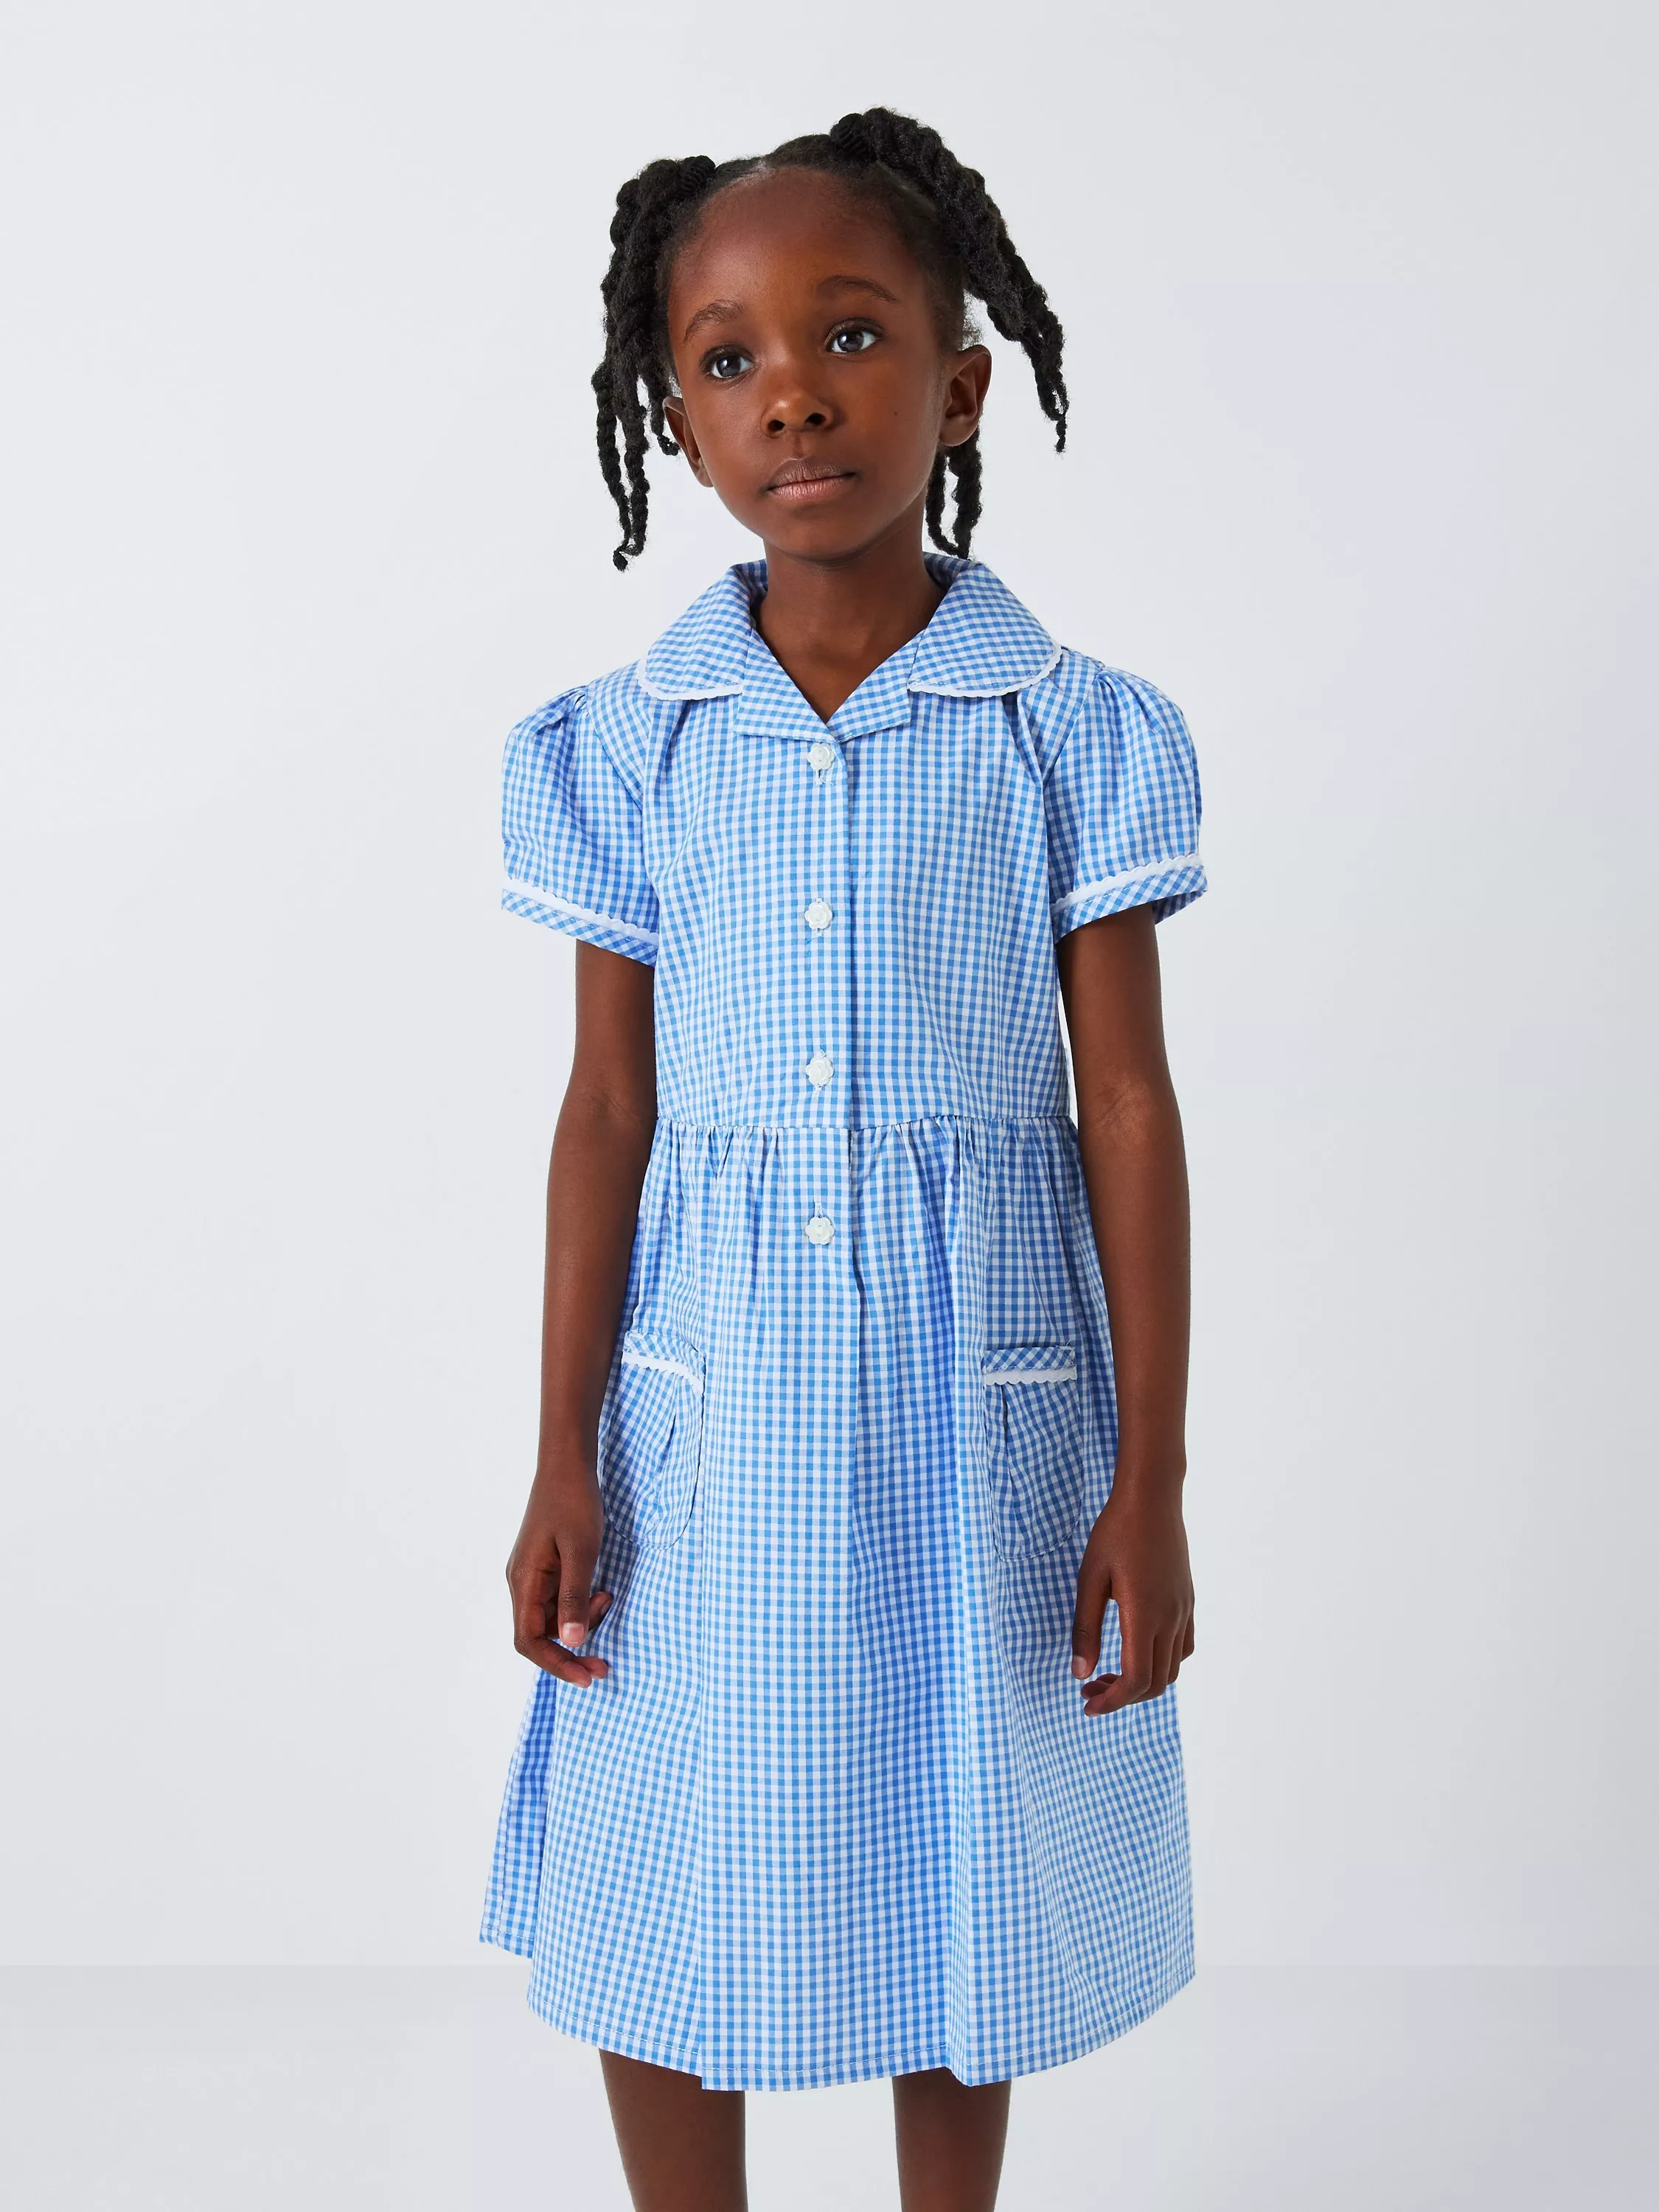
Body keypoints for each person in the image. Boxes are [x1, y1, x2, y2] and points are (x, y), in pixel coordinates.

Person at [479, 106, 1206, 2212]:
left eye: (853, 335)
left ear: (962, 387)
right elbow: (606, 1111)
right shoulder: (628, 746)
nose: (792, 391)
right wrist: (560, 1451)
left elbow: (1128, 1107)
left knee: (960, 1832)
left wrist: (1149, 1476)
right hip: (707, 1410)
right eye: (728, 358)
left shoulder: (1066, 727)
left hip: (987, 1407)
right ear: (676, 418)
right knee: (664, 1842)